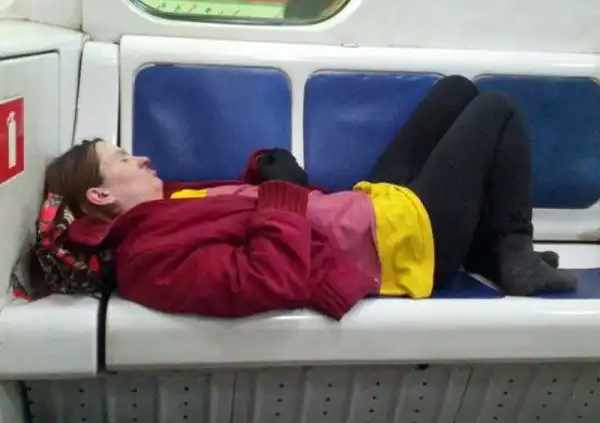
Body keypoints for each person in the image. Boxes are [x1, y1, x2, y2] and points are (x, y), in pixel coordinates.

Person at [40, 77, 576, 321]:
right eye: (123, 160)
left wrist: (265, 171)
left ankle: (485, 250)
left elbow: (235, 206)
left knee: (457, 90)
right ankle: (514, 253)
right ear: (100, 193)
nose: (141, 159)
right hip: (395, 246)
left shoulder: (166, 208)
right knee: (497, 108)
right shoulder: (147, 259)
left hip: (360, 210)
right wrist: (286, 192)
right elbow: (264, 279)